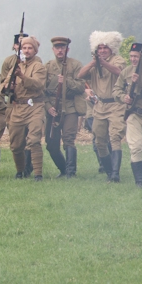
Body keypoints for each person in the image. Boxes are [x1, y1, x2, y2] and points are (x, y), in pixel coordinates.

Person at [77, 31, 126, 182]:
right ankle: (109, 172)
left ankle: (115, 174)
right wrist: (93, 62)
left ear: (112, 48)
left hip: (116, 104)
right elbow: (80, 75)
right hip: (100, 105)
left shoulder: (118, 60)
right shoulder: (94, 63)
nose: (103, 51)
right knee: (99, 140)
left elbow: (119, 72)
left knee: (115, 137)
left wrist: (103, 63)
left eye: (105, 48)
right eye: (100, 48)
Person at [4, 36, 47, 181]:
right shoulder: (16, 66)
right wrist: (8, 87)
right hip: (18, 107)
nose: (27, 51)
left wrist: (22, 76)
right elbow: (4, 86)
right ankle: (20, 171)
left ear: (35, 50)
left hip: (35, 106)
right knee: (15, 145)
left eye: (30, 48)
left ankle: (38, 174)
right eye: (24, 48)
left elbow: (38, 85)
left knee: (34, 140)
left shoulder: (39, 67)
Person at [43, 37, 85, 178]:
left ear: (67, 49)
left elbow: (80, 87)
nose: (60, 50)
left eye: (62, 47)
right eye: (57, 47)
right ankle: (64, 169)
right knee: (51, 143)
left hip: (70, 107)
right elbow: (43, 90)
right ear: (53, 49)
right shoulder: (48, 66)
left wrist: (66, 80)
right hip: (53, 107)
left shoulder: (76, 65)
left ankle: (71, 173)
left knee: (68, 139)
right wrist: (48, 106)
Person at [113, 41, 142, 188]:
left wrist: (141, 82)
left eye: (137, 56)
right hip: (133, 114)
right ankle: (139, 183)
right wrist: (123, 97)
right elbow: (116, 90)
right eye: (132, 56)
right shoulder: (127, 72)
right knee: (135, 147)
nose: (134, 59)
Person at [2, 32, 32, 177]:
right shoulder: (9, 61)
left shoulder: (34, 61)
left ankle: (28, 166)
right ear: (14, 46)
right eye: (19, 44)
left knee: (29, 136)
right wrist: (9, 87)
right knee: (16, 137)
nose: (22, 48)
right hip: (13, 103)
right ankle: (20, 168)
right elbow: (3, 83)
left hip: (29, 104)